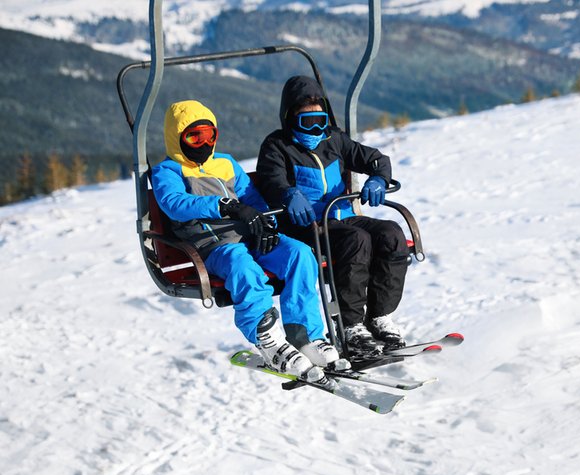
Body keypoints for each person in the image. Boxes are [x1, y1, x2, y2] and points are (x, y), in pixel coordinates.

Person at [150, 100, 350, 382]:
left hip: (250, 237)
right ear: (177, 138)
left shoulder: (226, 163)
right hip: (215, 245)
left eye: (210, 136)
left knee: (300, 255)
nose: (204, 143)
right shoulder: (168, 171)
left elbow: (251, 197)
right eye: (195, 137)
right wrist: (224, 206)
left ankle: (306, 336)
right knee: (243, 268)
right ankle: (267, 339)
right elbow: (175, 203)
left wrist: (265, 223)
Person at [254, 76, 409, 357]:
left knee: (392, 234)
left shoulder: (334, 139)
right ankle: (350, 325)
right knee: (357, 240)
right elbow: (270, 179)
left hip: (342, 215)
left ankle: (378, 316)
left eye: (320, 120)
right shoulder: (277, 146)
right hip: (308, 226)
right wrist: (287, 194)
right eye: (306, 122)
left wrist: (378, 178)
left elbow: (375, 159)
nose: (315, 129)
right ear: (290, 119)